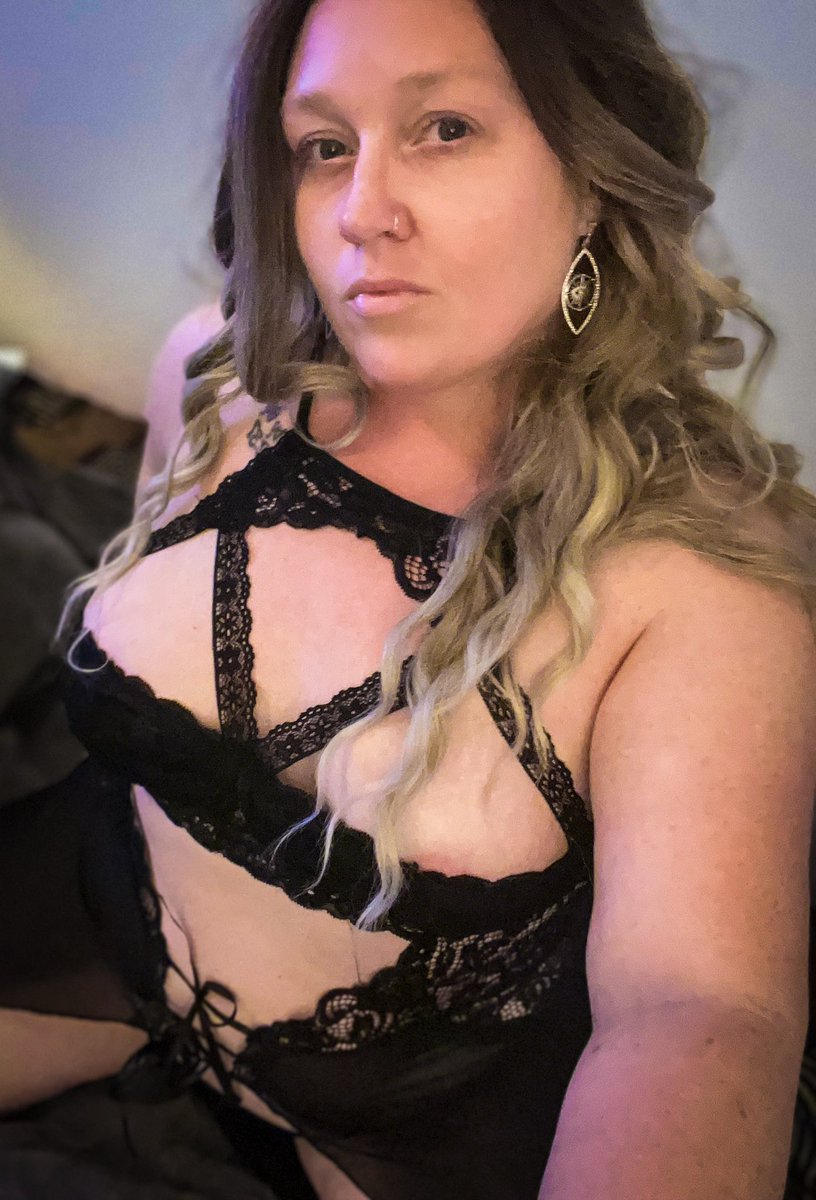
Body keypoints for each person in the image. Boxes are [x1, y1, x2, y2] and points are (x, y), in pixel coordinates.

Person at [2, 1, 816, 1198]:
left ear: (595, 175)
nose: (360, 209)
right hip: (108, 929)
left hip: (405, 1128)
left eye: (445, 129)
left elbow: (695, 1011)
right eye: (325, 146)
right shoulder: (220, 378)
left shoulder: (703, 580)